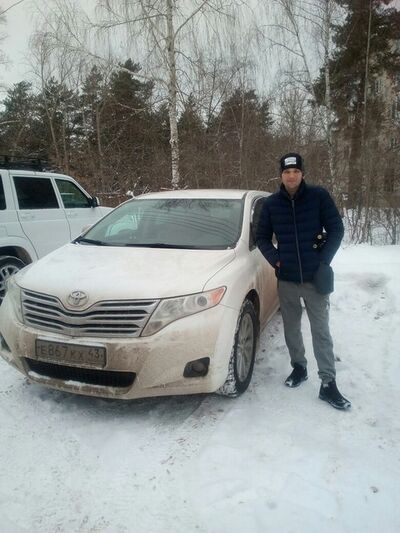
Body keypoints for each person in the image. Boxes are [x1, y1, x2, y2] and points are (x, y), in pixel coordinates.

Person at [256, 152, 351, 410]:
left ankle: (328, 383)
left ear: (302, 173)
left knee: (321, 330)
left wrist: (324, 260)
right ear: (281, 175)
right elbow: (261, 237)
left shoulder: (318, 196)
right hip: (286, 279)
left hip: (314, 278)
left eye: (296, 171)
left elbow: (336, 229)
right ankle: (299, 367)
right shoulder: (272, 204)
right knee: (291, 328)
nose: (291, 176)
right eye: (287, 172)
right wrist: (276, 260)